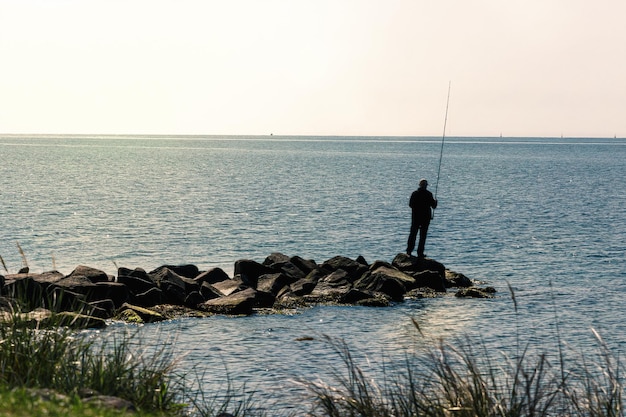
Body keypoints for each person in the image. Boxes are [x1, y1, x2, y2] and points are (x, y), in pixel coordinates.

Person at [406, 178, 438, 258]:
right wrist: (436, 202)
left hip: (416, 217)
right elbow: (433, 206)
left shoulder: (414, 193)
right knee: (422, 236)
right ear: (426, 186)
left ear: (419, 185)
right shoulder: (429, 194)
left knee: (413, 234)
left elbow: (410, 205)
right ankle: (420, 253)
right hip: (425, 218)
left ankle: (409, 251)